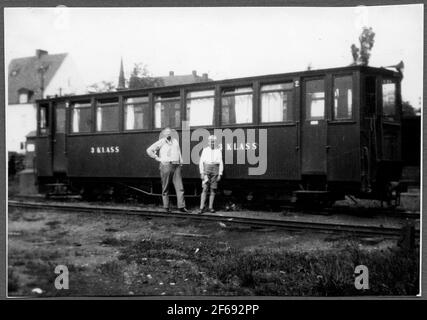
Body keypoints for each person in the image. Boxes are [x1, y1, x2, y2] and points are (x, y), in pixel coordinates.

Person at [146, 128, 188, 213]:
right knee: (165, 187)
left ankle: (181, 207)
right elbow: (149, 150)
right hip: (166, 165)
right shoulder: (161, 142)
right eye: (167, 133)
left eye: (169, 133)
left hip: (176, 165)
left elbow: (178, 152)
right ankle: (166, 207)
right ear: (164, 134)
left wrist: (181, 162)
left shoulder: (175, 141)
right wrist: (157, 158)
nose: (168, 134)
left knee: (180, 187)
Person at [198, 135, 223, 213]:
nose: (212, 143)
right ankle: (201, 208)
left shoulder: (218, 150)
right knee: (205, 188)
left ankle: (210, 207)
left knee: (213, 189)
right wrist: (202, 172)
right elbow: (201, 162)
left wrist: (220, 173)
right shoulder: (205, 150)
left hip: (215, 169)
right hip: (206, 169)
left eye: (213, 141)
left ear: (215, 142)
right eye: (211, 141)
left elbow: (221, 162)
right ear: (208, 142)